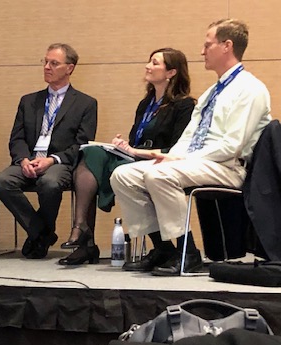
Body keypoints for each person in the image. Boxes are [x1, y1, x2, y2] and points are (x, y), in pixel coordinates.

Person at [111, 19, 271, 276]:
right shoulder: (211, 92)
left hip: (228, 167)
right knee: (123, 175)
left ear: (227, 46)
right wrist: (173, 156)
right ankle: (164, 249)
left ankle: (188, 253)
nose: (202, 51)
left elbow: (231, 146)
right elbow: (188, 138)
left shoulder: (250, 89)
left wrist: (181, 160)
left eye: (208, 45)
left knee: (159, 174)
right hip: (199, 162)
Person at [58, 48, 195, 265]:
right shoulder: (146, 103)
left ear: (171, 72)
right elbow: (135, 140)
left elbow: (177, 149)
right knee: (90, 151)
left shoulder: (184, 105)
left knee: (109, 168)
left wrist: (135, 151)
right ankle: (81, 228)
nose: (147, 66)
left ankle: (84, 236)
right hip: (137, 158)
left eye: (155, 63)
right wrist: (124, 146)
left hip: (162, 161)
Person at [0, 43, 97, 259]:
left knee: (49, 182)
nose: (47, 67)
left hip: (59, 163)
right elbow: (17, 138)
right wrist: (23, 160)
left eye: (54, 63)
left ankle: (39, 236)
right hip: (29, 160)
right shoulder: (29, 101)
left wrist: (52, 160)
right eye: (45, 62)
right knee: (2, 182)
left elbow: (82, 144)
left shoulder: (86, 104)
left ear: (69, 68)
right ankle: (42, 232)